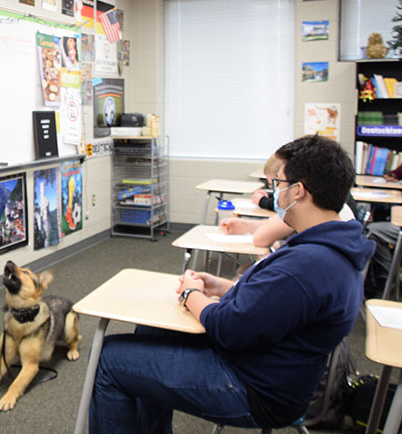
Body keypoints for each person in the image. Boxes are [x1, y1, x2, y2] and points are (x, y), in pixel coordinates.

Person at [88, 135, 375, 432]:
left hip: (253, 388)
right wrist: (225, 288)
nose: (274, 193)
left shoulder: (308, 264)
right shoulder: (331, 243)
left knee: (108, 358)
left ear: (298, 191)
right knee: (151, 332)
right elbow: (277, 304)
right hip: (269, 366)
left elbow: (229, 328)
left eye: (278, 185)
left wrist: (191, 294)